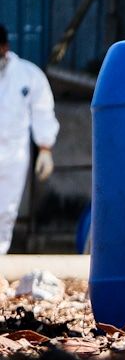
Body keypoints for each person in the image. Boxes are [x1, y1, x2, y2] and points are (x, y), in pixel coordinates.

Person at [0, 25, 58, 254]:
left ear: (5, 47)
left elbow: (43, 111)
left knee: (6, 210)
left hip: (14, 154)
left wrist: (45, 148)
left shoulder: (28, 75)